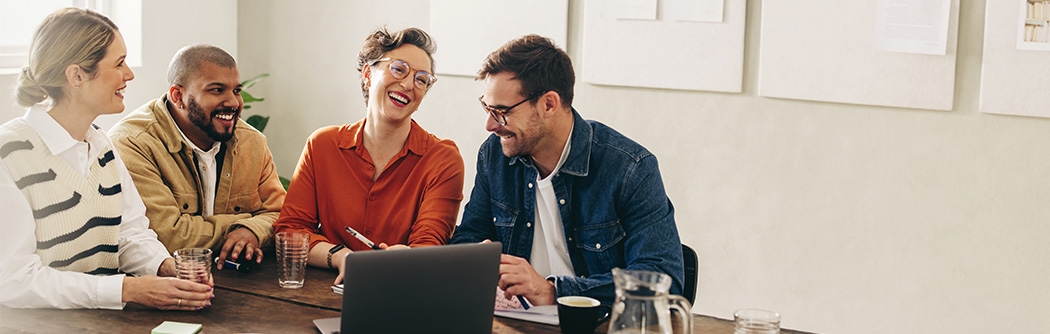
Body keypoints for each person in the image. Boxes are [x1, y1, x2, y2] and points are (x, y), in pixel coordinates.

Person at [0, 8, 213, 310]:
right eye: (119, 63)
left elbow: (129, 233)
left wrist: (165, 267)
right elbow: (14, 280)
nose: (130, 74)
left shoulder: (101, 145)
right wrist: (127, 289)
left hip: (101, 322)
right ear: (76, 76)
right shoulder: (8, 155)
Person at [450, 35, 685, 306]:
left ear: (549, 104)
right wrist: (475, 262)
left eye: (502, 111)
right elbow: (469, 239)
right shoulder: (494, 155)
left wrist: (553, 292)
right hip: (517, 321)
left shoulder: (630, 168)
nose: (490, 125)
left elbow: (663, 280)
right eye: (487, 108)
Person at [273, 27, 465, 284]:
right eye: (399, 69)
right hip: (322, 291)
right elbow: (291, 230)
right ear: (367, 74)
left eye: (421, 79)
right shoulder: (322, 145)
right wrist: (341, 257)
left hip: (401, 292)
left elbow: (428, 246)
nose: (408, 84)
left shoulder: (443, 159)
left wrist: (408, 257)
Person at [108, 44, 286, 266]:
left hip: (240, 281)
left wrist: (251, 231)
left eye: (236, 91)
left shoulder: (252, 142)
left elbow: (283, 216)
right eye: (217, 90)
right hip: (163, 287)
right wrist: (247, 225)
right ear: (178, 95)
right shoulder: (134, 143)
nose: (233, 102)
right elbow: (169, 238)